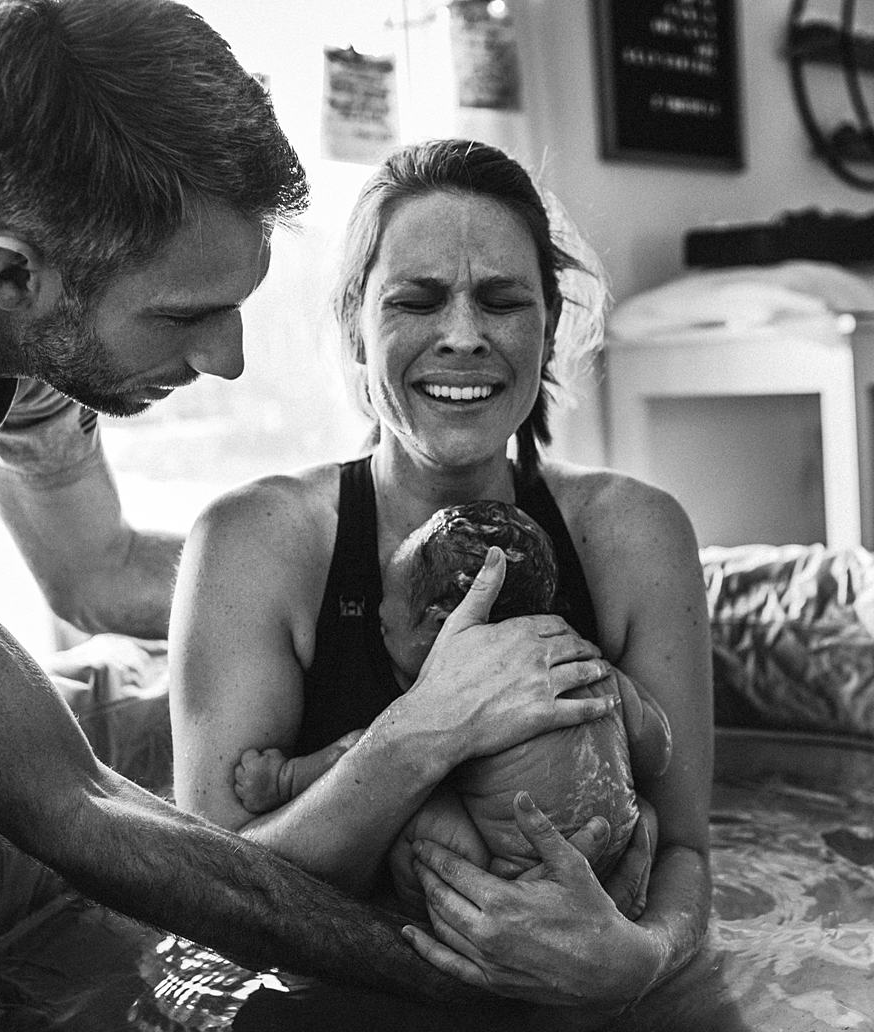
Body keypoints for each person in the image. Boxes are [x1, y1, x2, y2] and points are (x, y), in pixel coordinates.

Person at [0, 0, 612, 1003]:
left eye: (236, 306)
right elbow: (77, 807)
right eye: (184, 317)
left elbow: (95, 575)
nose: (225, 360)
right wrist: (483, 976)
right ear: (13, 275)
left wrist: (325, 597)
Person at [170, 138, 713, 1011]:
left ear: (549, 327)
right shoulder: (252, 544)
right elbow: (204, 895)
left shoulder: (635, 536)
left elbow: (682, 846)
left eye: (502, 301)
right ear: (355, 324)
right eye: (416, 301)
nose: (464, 336)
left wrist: (640, 959)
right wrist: (429, 727)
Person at [233, 499, 673, 916]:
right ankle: (624, 899)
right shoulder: (587, 664)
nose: (380, 612)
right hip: (603, 868)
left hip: (505, 880)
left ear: (444, 626)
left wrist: (283, 779)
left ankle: (427, 918)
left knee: (409, 814)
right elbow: (657, 753)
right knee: (646, 816)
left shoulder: (464, 688)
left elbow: (354, 753)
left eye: (391, 603)